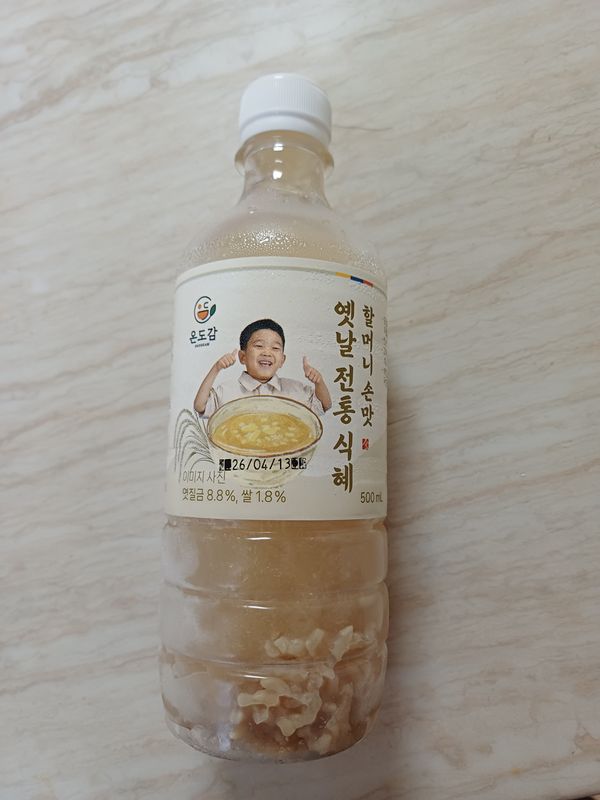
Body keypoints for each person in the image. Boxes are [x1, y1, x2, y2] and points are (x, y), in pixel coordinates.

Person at [194, 318, 332, 417]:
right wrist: (216, 368)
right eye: (259, 346)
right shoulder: (228, 391)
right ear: (243, 357)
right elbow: (200, 406)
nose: (267, 352)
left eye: (275, 348)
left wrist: (319, 382)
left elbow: (324, 405)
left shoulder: (294, 389)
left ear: (282, 360)